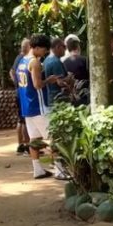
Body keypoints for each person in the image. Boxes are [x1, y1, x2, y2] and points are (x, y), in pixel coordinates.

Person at [16, 34, 68, 180]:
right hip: (38, 105)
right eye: (44, 50)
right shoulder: (34, 63)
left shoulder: (22, 61)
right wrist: (49, 80)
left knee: (34, 138)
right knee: (53, 137)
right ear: (37, 48)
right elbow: (37, 85)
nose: (45, 53)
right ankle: (59, 169)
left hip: (27, 106)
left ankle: (37, 169)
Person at [10, 38, 31, 155]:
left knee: (21, 119)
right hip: (23, 92)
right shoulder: (24, 59)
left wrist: (16, 83)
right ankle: (27, 145)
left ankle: (21, 144)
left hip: (19, 90)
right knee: (25, 119)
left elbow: (11, 72)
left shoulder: (18, 58)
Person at [44, 36, 71, 105]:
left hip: (50, 97)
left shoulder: (47, 59)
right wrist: (69, 77)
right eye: (64, 47)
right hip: (58, 99)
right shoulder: (55, 62)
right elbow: (61, 82)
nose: (65, 49)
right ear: (58, 47)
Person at [63, 35, 89, 106]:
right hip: (85, 94)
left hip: (71, 96)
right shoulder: (85, 60)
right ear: (78, 47)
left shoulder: (64, 62)